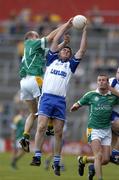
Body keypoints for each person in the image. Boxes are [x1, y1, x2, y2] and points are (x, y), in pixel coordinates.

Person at [30, 18, 87, 177]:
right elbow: (55, 40)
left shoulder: (70, 65)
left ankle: (56, 161)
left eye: (69, 51)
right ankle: (37, 156)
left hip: (60, 101)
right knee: (41, 126)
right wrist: (68, 25)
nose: (66, 52)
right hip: (47, 98)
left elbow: (81, 50)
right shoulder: (52, 59)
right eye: (64, 50)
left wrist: (84, 30)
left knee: (59, 132)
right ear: (60, 51)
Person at [19, 25, 70, 152]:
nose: (38, 37)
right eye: (36, 35)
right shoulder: (31, 43)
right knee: (48, 101)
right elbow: (51, 37)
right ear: (30, 38)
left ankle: (25, 136)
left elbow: (55, 49)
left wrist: (64, 43)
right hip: (35, 78)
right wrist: (65, 26)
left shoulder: (36, 50)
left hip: (24, 82)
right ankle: (50, 127)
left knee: (33, 113)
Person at [70, 74, 119, 180]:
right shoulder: (91, 95)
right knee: (98, 156)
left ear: (108, 83)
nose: (101, 82)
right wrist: (75, 106)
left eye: (103, 80)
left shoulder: (112, 97)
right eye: (99, 80)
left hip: (106, 130)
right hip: (94, 129)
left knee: (105, 160)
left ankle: (83, 160)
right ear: (97, 82)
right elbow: (79, 103)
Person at [87, 68, 119, 180]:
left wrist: (112, 90)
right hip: (111, 113)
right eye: (118, 72)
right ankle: (115, 153)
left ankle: (87, 162)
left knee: (105, 159)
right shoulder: (111, 81)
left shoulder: (110, 85)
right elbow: (99, 93)